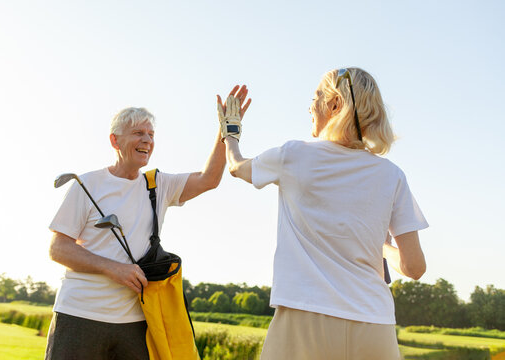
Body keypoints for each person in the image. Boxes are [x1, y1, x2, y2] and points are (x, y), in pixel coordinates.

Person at [220, 69, 428, 360]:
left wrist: (230, 132)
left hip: (305, 318)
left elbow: (237, 166)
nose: (310, 107)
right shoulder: (392, 175)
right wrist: (379, 246)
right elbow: (414, 267)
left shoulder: (294, 155)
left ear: (334, 105)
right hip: (374, 325)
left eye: (315, 98)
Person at [46, 86, 250, 360]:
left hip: (136, 322)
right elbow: (58, 248)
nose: (147, 140)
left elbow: (209, 179)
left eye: (151, 135)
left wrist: (225, 133)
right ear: (115, 141)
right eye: (138, 133)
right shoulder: (87, 184)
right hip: (80, 315)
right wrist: (112, 268)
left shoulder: (158, 185)